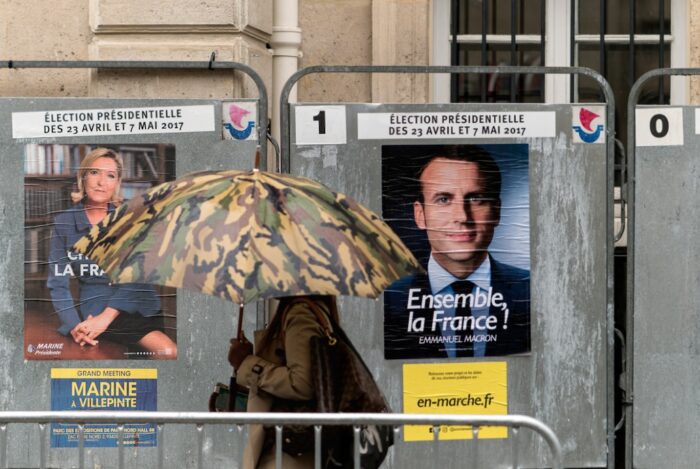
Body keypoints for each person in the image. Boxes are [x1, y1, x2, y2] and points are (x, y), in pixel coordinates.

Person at [384, 146, 530, 359]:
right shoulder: (387, 299)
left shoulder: (532, 292)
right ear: (420, 215)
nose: (462, 216)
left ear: (496, 211)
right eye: (443, 199)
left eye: (476, 198)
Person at [47, 147, 177, 358]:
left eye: (110, 175)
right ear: (83, 178)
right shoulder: (64, 223)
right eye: (94, 172)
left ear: (117, 183)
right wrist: (75, 327)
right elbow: (58, 285)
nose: (101, 182)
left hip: (136, 304)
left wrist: (104, 320)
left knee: (166, 353)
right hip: (95, 308)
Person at [228, 295, 338, 469]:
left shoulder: (301, 314)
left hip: (288, 451)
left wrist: (246, 363)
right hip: (290, 446)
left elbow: (302, 382)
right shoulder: (311, 309)